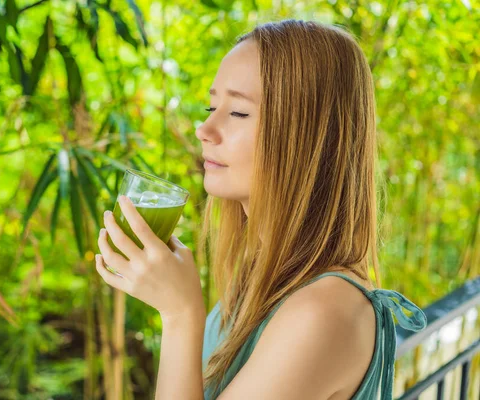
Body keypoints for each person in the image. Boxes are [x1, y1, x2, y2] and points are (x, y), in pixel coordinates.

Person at [95, 19, 427, 400]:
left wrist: (180, 316)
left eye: (237, 113)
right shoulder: (261, 277)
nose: (204, 127)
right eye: (211, 105)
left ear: (307, 137)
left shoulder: (322, 312)